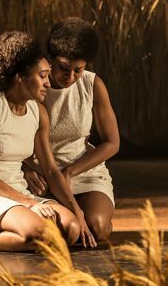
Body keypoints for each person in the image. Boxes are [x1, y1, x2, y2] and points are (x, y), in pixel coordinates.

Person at [0, 31, 97, 251]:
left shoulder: (38, 112)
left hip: (18, 189)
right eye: (42, 76)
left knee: (72, 229)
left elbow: (50, 170)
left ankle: (16, 227)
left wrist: (78, 212)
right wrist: (29, 204)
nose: (48, 83)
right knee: (40, 235)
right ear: (20, 77)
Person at [23, 17, 119, 242]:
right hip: (38, 173)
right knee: (59, 233)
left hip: (81, 169)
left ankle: (77, 213)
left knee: (98, 228)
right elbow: (6, 134)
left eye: (78, 69)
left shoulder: (92, 85)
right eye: (64, 68)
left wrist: (70, 172)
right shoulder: (33, 84)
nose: (70, 77)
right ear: (51, 59)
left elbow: (112, 143)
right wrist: (24, 169)